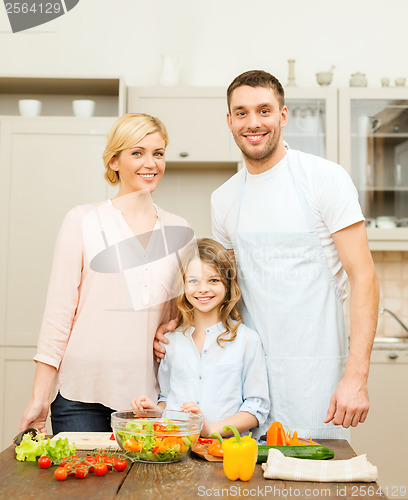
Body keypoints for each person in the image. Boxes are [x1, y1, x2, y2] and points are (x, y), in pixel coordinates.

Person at [155, 71, 379, 440]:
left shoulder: (323, 179)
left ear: (283, 115)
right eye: (241, 113)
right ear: (229, 121)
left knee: (311, 487)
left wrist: (356, 376)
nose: (253, 122)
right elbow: (227, 287)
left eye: (264, 110)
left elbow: (364, 277)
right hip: (242, 385)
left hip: (315, 378)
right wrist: (178, 324)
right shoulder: (224, 198)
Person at [20, 113, 193, 434]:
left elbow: (182, 312)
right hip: (78, 396)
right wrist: (39, 396)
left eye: (158, 153)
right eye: (137, 153)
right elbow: (59, 314)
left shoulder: (180, 231)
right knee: (80, 485)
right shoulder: (82, 221)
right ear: (114, 161)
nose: (150, 163)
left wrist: (173, 328)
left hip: (146, 400)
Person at [133, 238, 269, 437]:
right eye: (193, 281)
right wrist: (154, 410)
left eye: (213, 280)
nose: (203, 289)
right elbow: (168, 397)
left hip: (225, 451)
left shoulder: (247, 340)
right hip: (177, 448)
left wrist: (210, 430)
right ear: (183, 285)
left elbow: (256, 409)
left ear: (228, 283)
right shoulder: (170, 340)